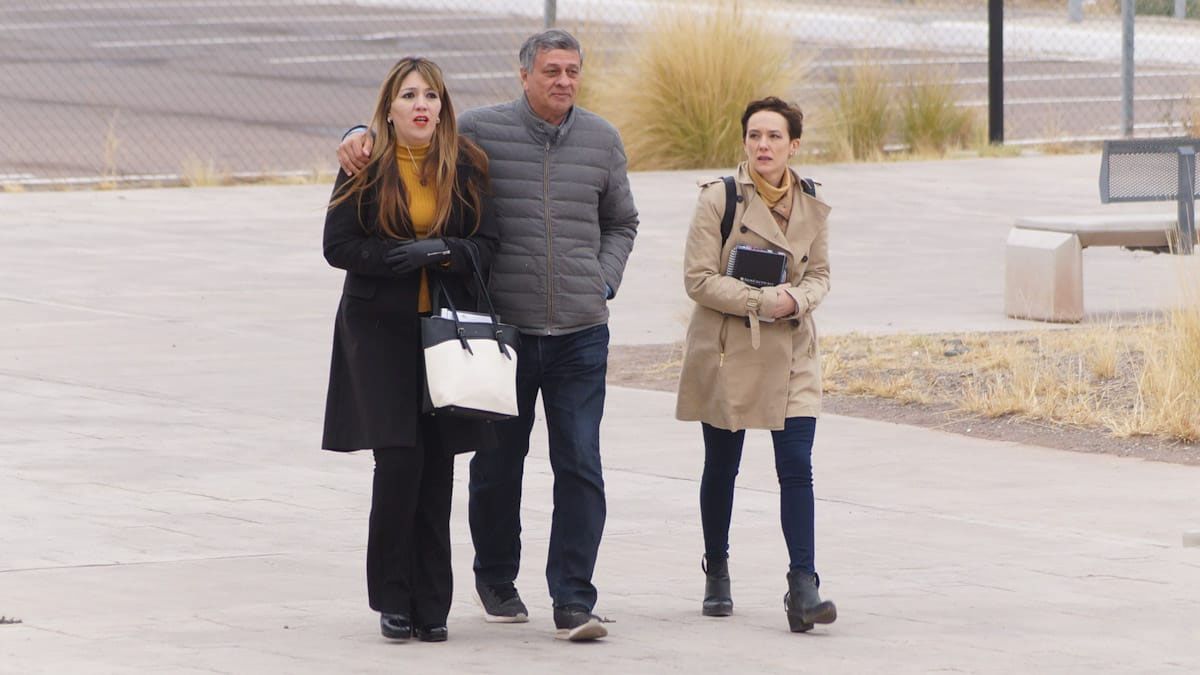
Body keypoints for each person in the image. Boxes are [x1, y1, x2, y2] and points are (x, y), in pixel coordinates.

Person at [337, 30, 638, 642]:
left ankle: (573, 599)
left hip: (580, 328)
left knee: (580, 462)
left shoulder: (601, 139)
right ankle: (493, 579)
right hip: (497, 331)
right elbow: (405, 131)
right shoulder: (480, 133)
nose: (563, 81)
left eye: (572, 71)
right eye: (551, 70)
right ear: (523, 74)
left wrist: (602, 280)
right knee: (492, 464)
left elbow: (621, 221)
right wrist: (351, 134)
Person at [321, 56, 498, 643]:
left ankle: (433, 603)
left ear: (443, 107)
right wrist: (394, 258)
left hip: (446, 333)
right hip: (380, 333)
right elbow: (338, 245)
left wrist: (444, 251)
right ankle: (392, 597)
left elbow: (488, 242)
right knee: (398, 462)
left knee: (438, 467)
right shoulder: (364, 164)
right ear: (390, 109)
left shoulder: (467, 165)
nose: (421, 105)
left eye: (431, 96)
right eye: (409, 96)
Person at [675, 96, 838, 633]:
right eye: (754, 136)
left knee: (797, 466)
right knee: (723, 464)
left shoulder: (812, 200)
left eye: (773, 136)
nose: (762, 145)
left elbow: (821, 275)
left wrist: (799, 301)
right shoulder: (719, 198)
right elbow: (698, 280)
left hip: (793, 351)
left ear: (794, 144)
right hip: (731, 350)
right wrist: (762, 301)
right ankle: (716, 566)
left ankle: (804, 585)